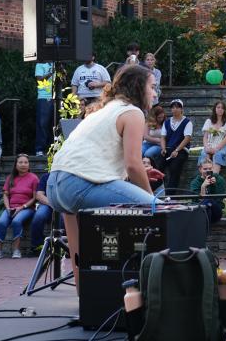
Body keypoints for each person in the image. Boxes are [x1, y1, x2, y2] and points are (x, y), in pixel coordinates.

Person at [47, 65, 156, 285]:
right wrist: (152, 199)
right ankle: (162, 287)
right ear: (138, 87)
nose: (155, 93)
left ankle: (83, 294)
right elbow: (134, 164)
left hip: (56, 185)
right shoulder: (132, 112)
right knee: (162, 213)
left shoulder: (102, 111)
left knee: (80, 246)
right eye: (152, 87)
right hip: (79, 183)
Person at [0, 153, 39, 259]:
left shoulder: (34, 178)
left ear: (29, 164)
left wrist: (22, 207)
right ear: (16, 164)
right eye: (20, 162)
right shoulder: (11, 177)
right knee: (1, 222)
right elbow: (5, 195)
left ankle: (16, 250)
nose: (23, 164)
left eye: (26, 162)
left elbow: (34, 197)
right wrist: (8, 208)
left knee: (16, 221)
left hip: (27, 208)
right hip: (11, 207)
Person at [162, 99, 193, 192]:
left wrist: (177, 150)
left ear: (181, 109)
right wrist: (163, 149)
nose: (174, 109)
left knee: (174, 167)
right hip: (168, 149)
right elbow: (162, 137)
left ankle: (170, 194)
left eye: (177, 107)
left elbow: (187, 138)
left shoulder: (187, 122)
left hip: (181, 150)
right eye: (173, 107)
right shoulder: (167, 122)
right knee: (158, 165)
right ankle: (157, 192)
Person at [199, 101, 226, 174]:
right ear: (215, 109)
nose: (220, 109)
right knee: (204, 154)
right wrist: (206, 147)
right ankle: (204, 178)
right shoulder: (209, 121)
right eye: (218, 107)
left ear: (224, 110)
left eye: (222, 108)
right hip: (210, 145)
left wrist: (216, 149)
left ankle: (214, 177)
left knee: (217, 154)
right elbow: (205, 137)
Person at [190, 158, 225, 224]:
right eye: (205, 169)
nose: (208, 171)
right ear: (200, 169)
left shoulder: (219, 179)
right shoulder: (195, 182)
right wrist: (203, 187)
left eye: (210, 169)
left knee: (209, 201)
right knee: (206, 204)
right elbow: (196, 201)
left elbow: (219, 199)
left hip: (216, 210)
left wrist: (214, 185)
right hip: (202, 210)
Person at [29, 172, 54, 254]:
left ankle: (61, 247)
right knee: (39, 216)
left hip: (63, 204)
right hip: (47, 203)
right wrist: (53, 204)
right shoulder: (46, 176)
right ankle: (37, 246)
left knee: (62, 218)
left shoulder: (67, 176)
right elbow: (39, 195)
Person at [34, 61, 55, 156]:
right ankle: (40, 149)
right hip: (44, 96)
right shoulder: (40, 65)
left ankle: (52, 149)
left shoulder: (55, 64)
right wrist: (50, 73)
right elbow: (39, 80)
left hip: (55, 97)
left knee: (54, 124)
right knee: (42, 124)